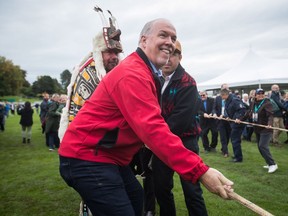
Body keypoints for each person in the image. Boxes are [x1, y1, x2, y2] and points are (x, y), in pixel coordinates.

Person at [59, 18, 234, 216]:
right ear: (143, 40)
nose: (170, 42)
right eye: (163, 35)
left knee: (138, 203)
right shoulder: (133, 74)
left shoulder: (147, 73)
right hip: (87, 156)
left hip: (109, 157)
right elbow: (152, 128)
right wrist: (200, 171)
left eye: (173, 38)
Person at [58, 6, 123, 216]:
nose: (114, 56)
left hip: (107, 150)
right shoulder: (89, 76)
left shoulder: (112, 74)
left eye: (116, 52)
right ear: (98, 52)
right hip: (89, 153)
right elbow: (80, 120)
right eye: (109, 52)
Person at [151, 40, 208, 216]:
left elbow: (180, 120)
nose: (167, 60)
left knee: (192, 191)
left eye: (172, 55)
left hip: (184, 142)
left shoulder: (187, 82)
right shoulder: (156, 79)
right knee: (161, 188)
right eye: (164, 55)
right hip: (162, 142)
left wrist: (153, 135)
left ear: (180, 57)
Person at [241, 88, 278, 173]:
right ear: (255, 95)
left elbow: (270, 115)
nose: (261, 95)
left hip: (266, 128)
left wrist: (270, 124)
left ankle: (272, 164)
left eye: (262, 94)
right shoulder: (253, 103)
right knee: (260, 147)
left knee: (262, 146)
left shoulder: (267, 103)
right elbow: (248, 112)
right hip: (257, 128)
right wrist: (240, 119)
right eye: (259, 94)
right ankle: (269, 163)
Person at [220, 89, 247, 162]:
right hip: (233, 122)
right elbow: (231, 111)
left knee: (235, 140)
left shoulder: (235, 100)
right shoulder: (228, 100)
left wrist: (238, 118)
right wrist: (229, 117)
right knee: (234, 139)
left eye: (222, 96)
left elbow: (242, 110)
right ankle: (236, 154)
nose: (221, 97)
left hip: (238, 122)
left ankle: (238, 158)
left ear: (225, 94)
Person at [211, 83, 231, 157]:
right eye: (224, 89)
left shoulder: (231, 98)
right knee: (223, 136)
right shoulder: (218, 98)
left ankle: (223, 148)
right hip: (220, 119)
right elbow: (214, 108)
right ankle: (225, 152)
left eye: (227, 89)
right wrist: (215, 114)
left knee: (228, 136)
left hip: (229, 119)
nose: (225, 90)